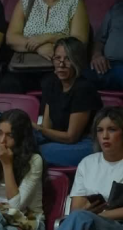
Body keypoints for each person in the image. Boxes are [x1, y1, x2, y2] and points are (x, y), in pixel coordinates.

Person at [0, 0, 90, 94]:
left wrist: (48, 37)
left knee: (52, 85)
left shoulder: (75, 3)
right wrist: (38, 48)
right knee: (8, 84)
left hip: (58, 68)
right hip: (25, 66)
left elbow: (79, 42)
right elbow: (11, 38)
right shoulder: (25, 2)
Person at [38, 38, 104, 167]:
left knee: (36, 153)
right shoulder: (51, 84)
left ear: (77, 61)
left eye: (67, 59)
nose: (61, 64)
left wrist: (38, 129)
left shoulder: (84, 88)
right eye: (57, 58)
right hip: (59, 141)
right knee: (18, 141)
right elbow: (46, 128)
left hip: (85, 144)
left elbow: (71, 137)